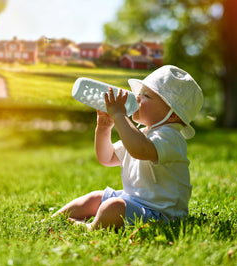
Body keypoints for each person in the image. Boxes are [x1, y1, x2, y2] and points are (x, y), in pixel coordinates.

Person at [54, 65, 203, 230]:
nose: (137, 98)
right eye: (139, 93)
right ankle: (53, 219)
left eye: (146, 95)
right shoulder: (141, 134)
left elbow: (139, 150)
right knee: (96, 198)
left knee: (113, 207)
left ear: (172, 114)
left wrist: (119, 115)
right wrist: (103, 129)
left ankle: (90, 229)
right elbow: (107, 158)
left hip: (160, 214)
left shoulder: (171, 137)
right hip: (134, 201)